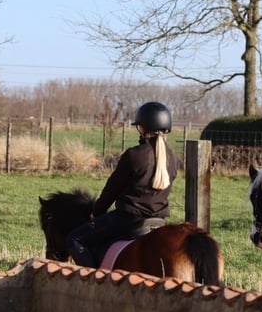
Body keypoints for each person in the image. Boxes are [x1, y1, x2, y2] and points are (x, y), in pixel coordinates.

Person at [65, 101, 178, 268]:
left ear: (142, 128)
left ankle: (95, 279)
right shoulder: (173, 158)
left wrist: (97, 212)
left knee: (74, 239)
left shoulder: (134, 155)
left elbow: (111, 190)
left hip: (128, 220)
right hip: (158, 221)